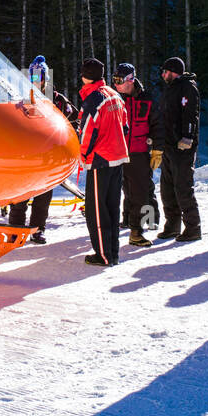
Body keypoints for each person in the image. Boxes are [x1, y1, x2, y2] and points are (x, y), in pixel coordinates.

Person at [78, 59, 130, 266]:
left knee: (96, 211)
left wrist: (83, 155)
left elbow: (88, 132)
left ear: (85, 76)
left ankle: (103, 254)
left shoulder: (94, 98)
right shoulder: (113, 94)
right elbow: (125, 124)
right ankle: (112, 252)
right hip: (117, 155)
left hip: (101, 159)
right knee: (112, 207)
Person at [8, 56, 60, 244]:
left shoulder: (53, 97)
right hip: (25, 155)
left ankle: (38, 229)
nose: (37, 80)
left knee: (42, 197)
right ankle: (15, 229)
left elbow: (67, 117)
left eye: (40, 76)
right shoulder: (19, 97)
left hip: (47, 156)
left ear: (46, 77)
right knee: (20, 195)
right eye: (33, 77)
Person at [154, 56, 201, 242]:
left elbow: (191, 114)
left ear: (173, 71)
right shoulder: (170, 89)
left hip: (183, 146)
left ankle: (193, 227)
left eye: (165, 71)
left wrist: (187, 137)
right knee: (167, 187)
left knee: (183, 186)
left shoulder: (187, 88)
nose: (163, 75)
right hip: (168, 145)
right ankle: (172, 225)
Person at [114, 62, 159, 247]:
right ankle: (130, 221)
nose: (116, 84)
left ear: (131, 80)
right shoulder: (116, 98)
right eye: (114, 80)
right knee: (127, 190)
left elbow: (158, 124)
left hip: (139, 153)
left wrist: (158, 148)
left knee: (143, 190)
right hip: (120, 152)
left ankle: (142, 226)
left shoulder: (147, 99)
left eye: (119, 80)